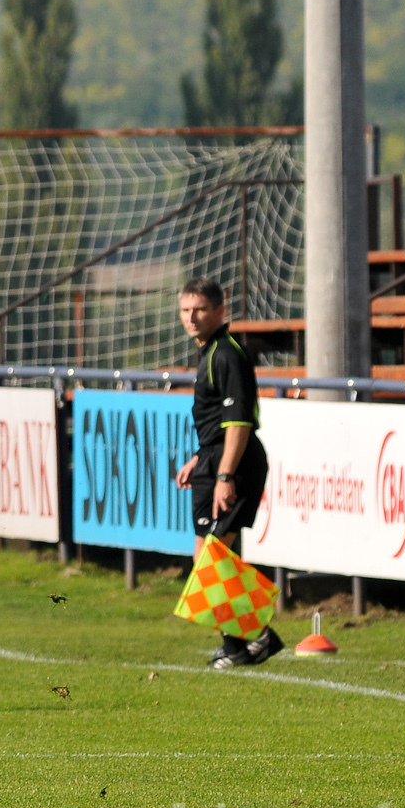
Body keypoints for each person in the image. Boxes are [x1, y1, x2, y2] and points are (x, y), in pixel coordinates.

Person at [172, 277, 282, 669]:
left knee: (214, 557)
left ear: (220, 310)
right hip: (214, 459)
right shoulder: (209, 352)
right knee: (208, 558)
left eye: (200, 309)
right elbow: (217, 422)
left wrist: (224, 476)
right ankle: (241, 641)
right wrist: (200, 458)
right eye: (186, 310)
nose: (192, 317)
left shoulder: (227, 354)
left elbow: (238, 423)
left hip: (236, 464)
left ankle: (254, 639)